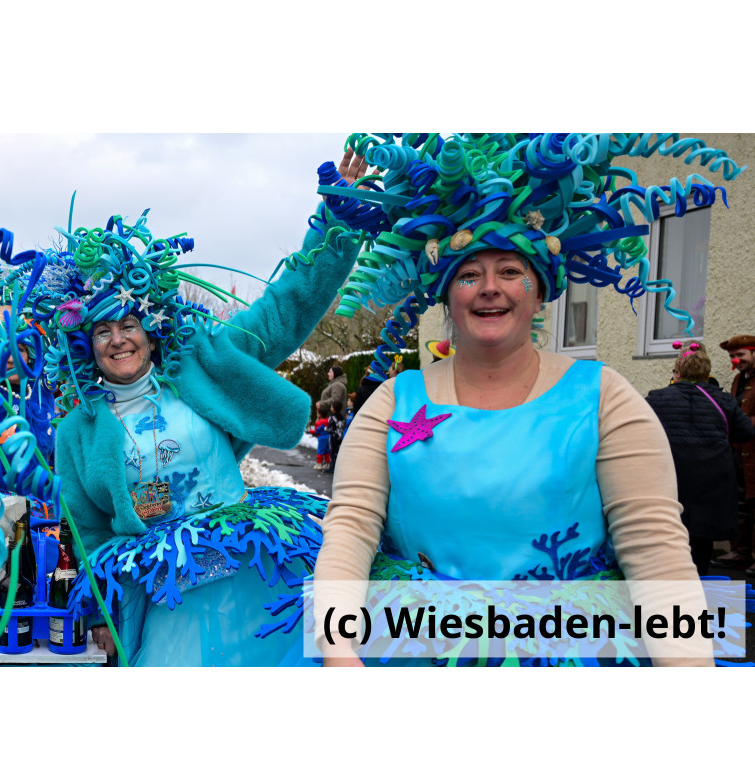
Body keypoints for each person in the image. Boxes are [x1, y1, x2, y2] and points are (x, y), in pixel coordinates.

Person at [312, 132, 746, 667]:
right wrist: (338, 652)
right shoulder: (391, 403)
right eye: (469, 274)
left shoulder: (605, 396)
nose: (489, 287)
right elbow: (351, 527)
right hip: (414, 654)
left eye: (510, 271)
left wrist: (687, 668)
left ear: (538, 289)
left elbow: (654, 547)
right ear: (447, 294)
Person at [0, 148, 368, 666]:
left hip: (253, 580)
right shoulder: (78, 430)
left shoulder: (201, 370)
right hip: (166, 605)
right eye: (102, 330)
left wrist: (335, 224)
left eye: (128, 325)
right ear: (86, 343)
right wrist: (100, 615)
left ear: (150, 331)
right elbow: (89, 531)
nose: (118, 340)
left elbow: (283, 312)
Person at [646, 342, 754, 575]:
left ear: (678, 371)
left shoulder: (657, 398)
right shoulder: (724, 400)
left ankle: (667, 593)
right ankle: (698, 596)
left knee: (668, 533)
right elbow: (746, 432)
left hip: (671, 476)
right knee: (702, 542)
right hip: (713, 479)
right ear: (707, 372)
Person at [712, 334, 755, 575]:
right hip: (739, 452)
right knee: (740, 504)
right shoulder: (739, 379)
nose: (737, 360)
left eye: (741, 355)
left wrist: (741, 422)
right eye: (732, 356)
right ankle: (740, 552)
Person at [325, 399, 346, 473]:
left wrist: (326, 428)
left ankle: (332, 466)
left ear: (333, 408)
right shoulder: (342, 417)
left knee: (332, 451)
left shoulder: (331, 417)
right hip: (340, 435)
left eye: (331, 406)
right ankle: (338, 466)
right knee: (338, 451)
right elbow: (343, 425)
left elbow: (330, 428)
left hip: (333, 436)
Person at [312, 402, 331, 471]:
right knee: (326, 451)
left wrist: (312, 431)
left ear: (320, 414)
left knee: (320, 451)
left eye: (317, 413)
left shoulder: (318, 422)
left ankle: (319, 464)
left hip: (321, 438)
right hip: (328, 437)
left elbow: (317, 432)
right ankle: (328, 463)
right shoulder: (328, 420)